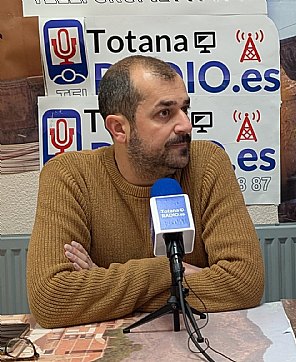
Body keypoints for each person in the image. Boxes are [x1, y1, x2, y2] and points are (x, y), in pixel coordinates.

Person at [27, 55, 264, 328]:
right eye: (165, 113)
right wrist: (174, 271)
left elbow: (243, 283)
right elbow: (52, 299)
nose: (185, 125)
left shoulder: (209, 163)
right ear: (119, 128)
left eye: (185, 109)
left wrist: (103, 285)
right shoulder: (70, 175)